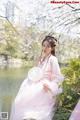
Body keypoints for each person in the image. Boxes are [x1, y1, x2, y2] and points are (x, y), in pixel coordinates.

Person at [9, 36, 64, 120]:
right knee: (19, 101)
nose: (45, 48)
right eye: (44, 45)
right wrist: (37, 63)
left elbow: (58, 77)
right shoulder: (41, 58)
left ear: (52, 48)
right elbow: (35, 72)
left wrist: (50, 86)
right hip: (36, 82)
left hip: (45, 85)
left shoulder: (53, 59)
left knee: (36, 110)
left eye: (48, 46)